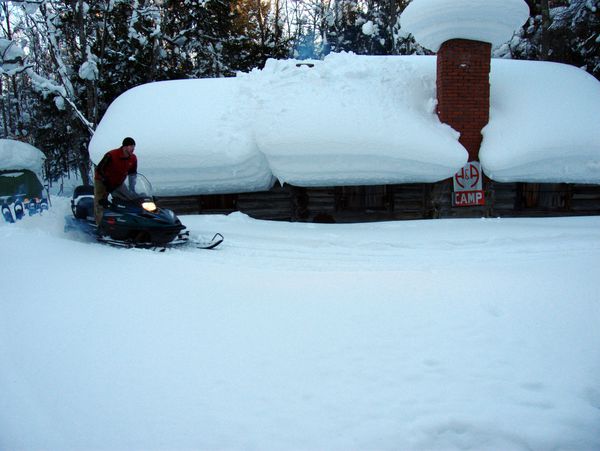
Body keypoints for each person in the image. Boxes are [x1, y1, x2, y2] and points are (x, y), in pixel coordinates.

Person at [94, 137, 137, 225]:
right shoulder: (111, 155)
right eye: (131, 146)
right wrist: (105, 181)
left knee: (128, 198)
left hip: (118, 182)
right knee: (100, 202)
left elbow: (132, 174)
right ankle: (99, 225)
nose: (133, 149)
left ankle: (127, 221)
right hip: (102, 181)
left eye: (134, 146)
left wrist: (132, 189)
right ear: (125, 147)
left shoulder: (133, 158)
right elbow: (99, 169)